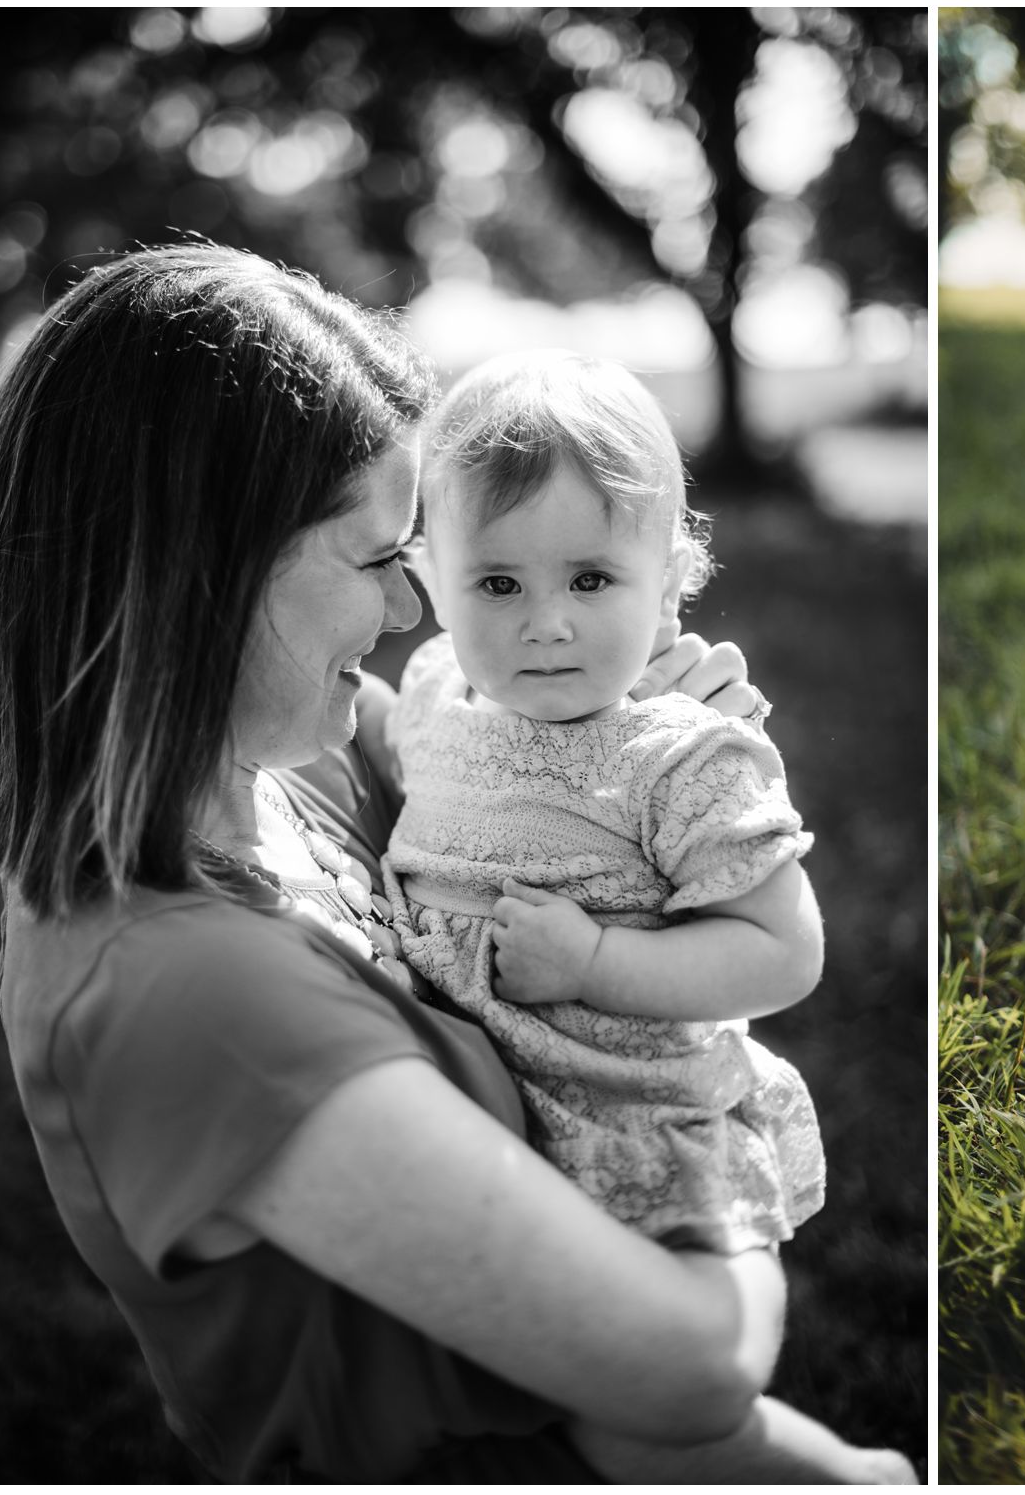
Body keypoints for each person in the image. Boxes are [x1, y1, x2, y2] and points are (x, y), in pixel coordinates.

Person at [0, 243, 828, 1482]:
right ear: (201, 575)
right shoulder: (190, 993)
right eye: (376, 559)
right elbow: (687, 1365)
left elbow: (520, 760)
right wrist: (726, 1143)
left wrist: (652, 730)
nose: (417, 615)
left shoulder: (291, 756)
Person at [376, 348, 907, 1482]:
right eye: (498, 585)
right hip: (488, 1133)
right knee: (527, 1412)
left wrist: (597, 958)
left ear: (669, 581)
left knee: (640, 1423)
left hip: (637, 1129)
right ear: (431, 576)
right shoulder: (435, 698)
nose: (545, 626)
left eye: (590, 580)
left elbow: (783, 950)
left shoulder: (684, 756)